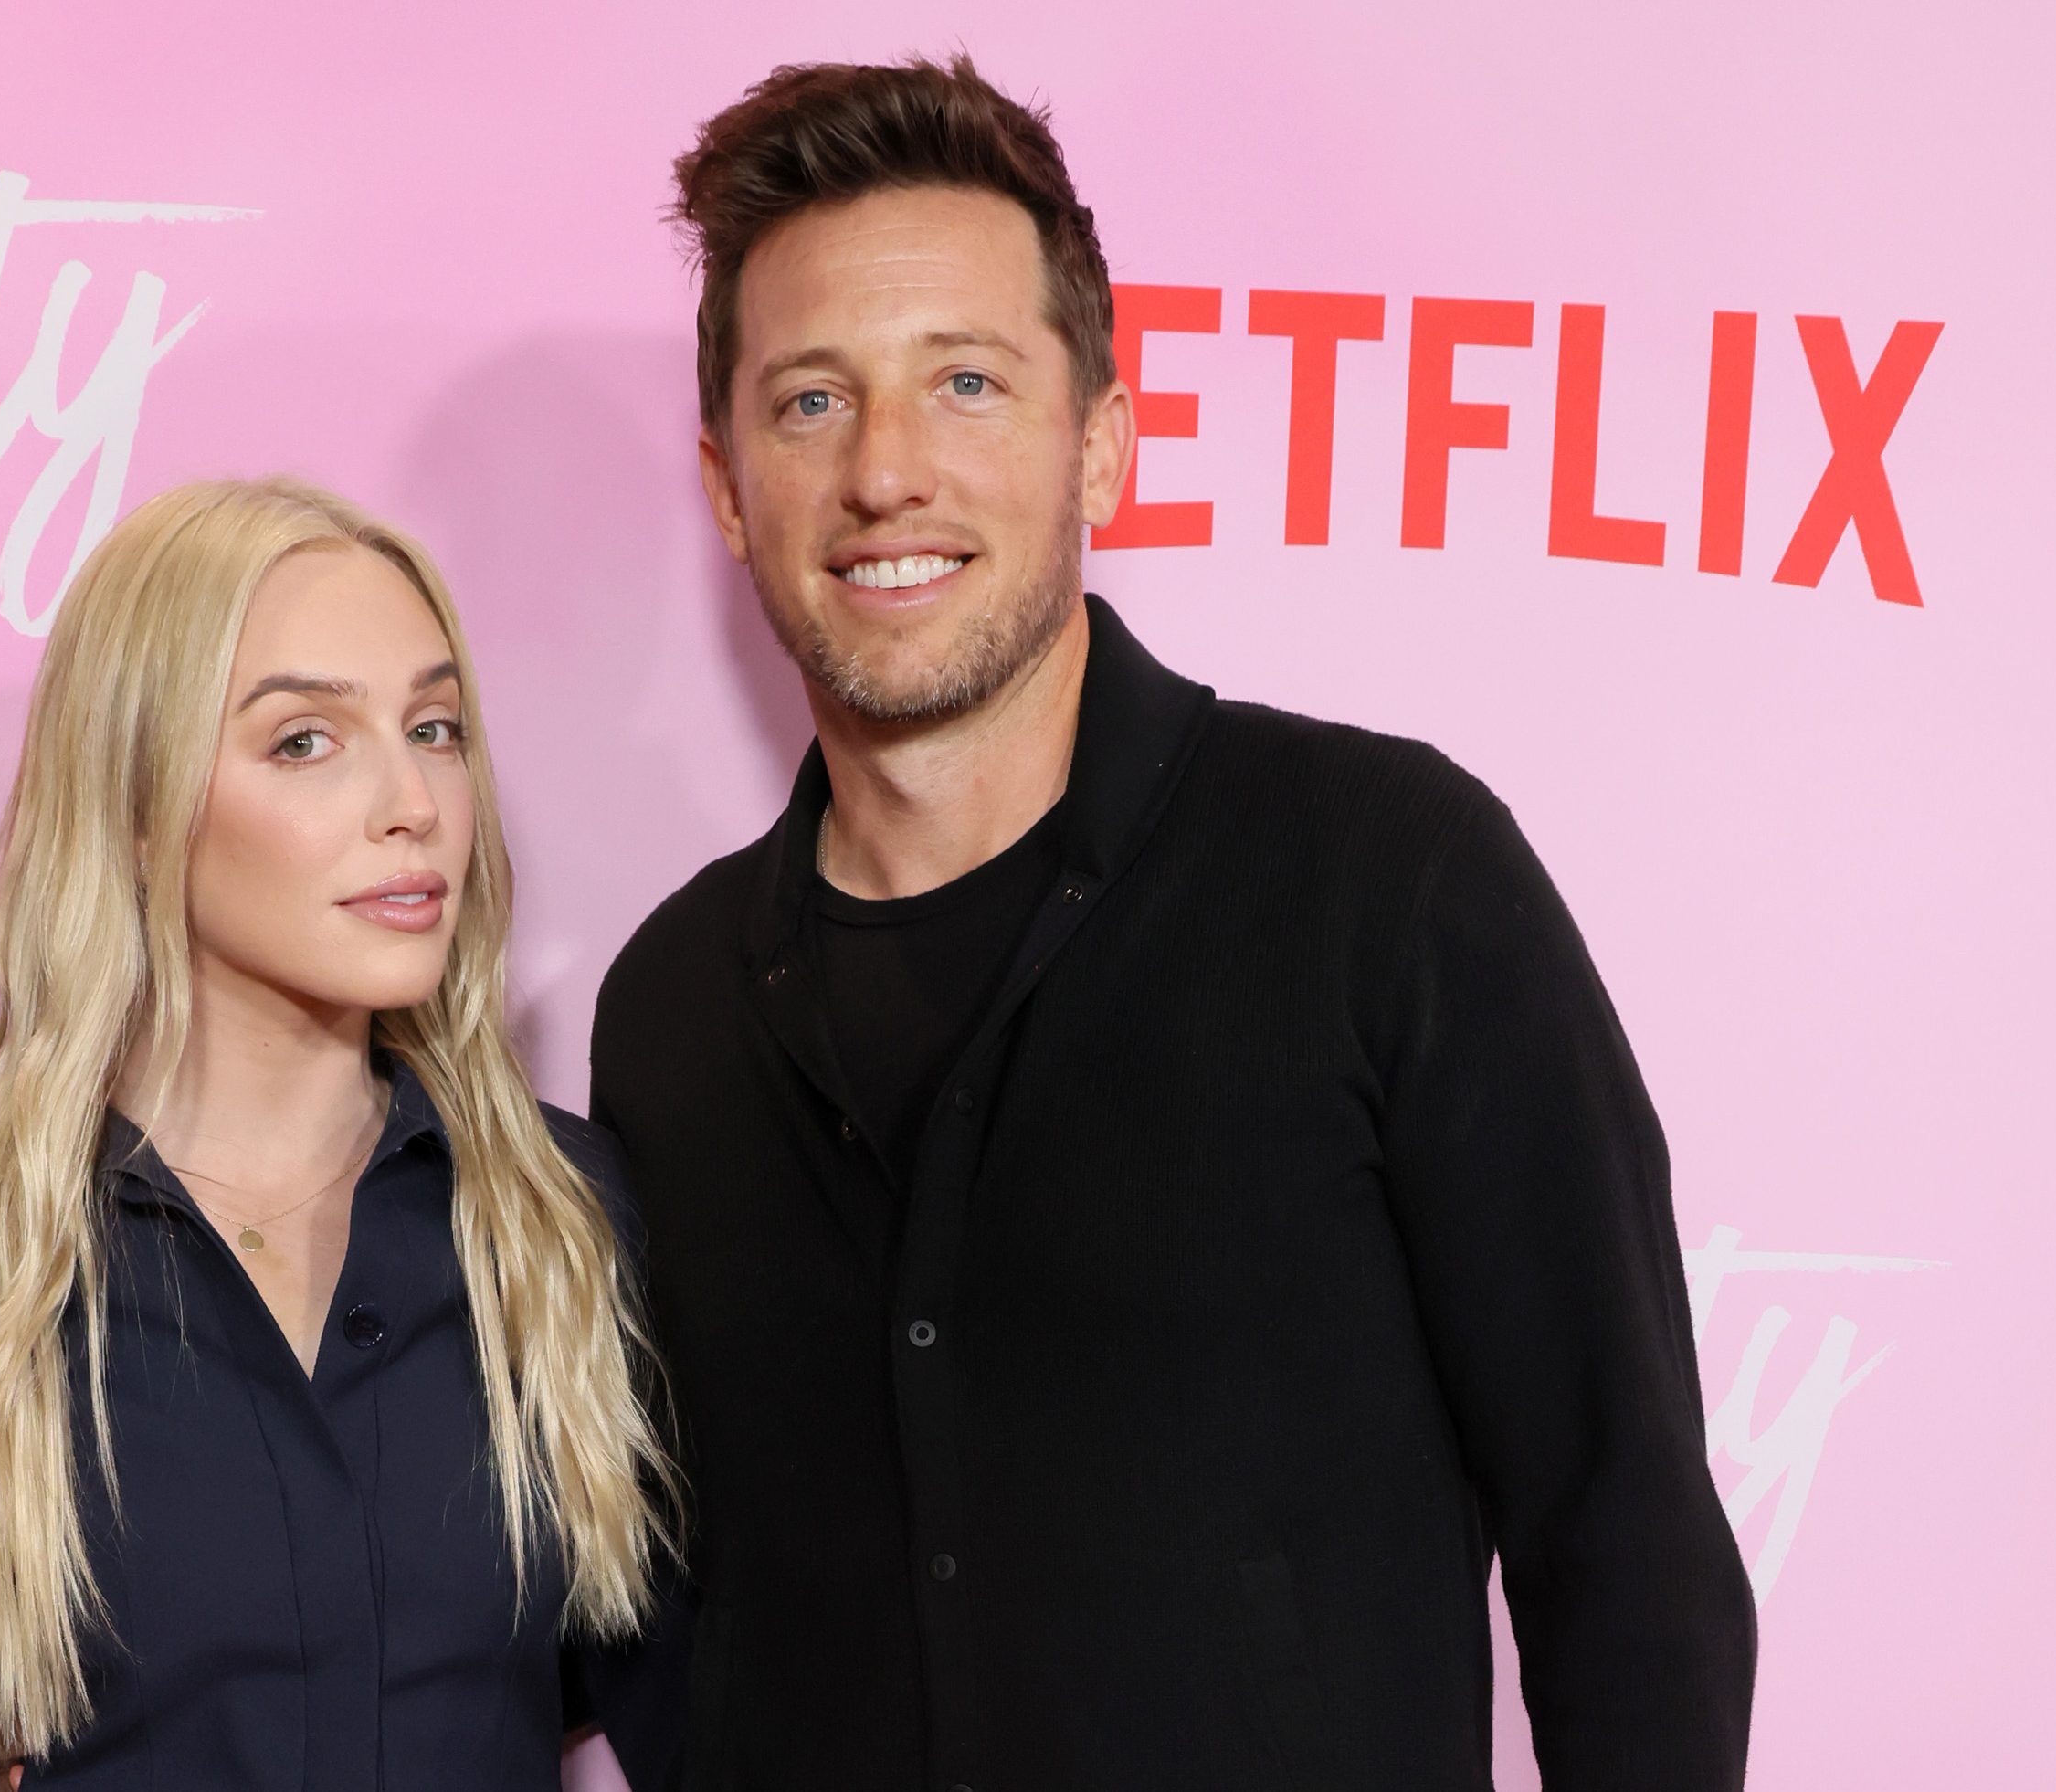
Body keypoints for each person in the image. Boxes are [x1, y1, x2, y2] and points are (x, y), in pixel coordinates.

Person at [588, 56, 1756, 1791]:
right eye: (811, 400)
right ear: (725, 483)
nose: (885, 470)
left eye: (965, 382)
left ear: (1101, 448)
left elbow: (1623, 1536)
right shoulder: (669, 1008)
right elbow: (676, 1607)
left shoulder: (1386, 879)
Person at [0, 477, 671, 1790]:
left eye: (434, 728)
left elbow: (684, 1701)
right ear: (138, 807)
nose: (411, 801)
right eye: (305, 741)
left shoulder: (564, 1213)